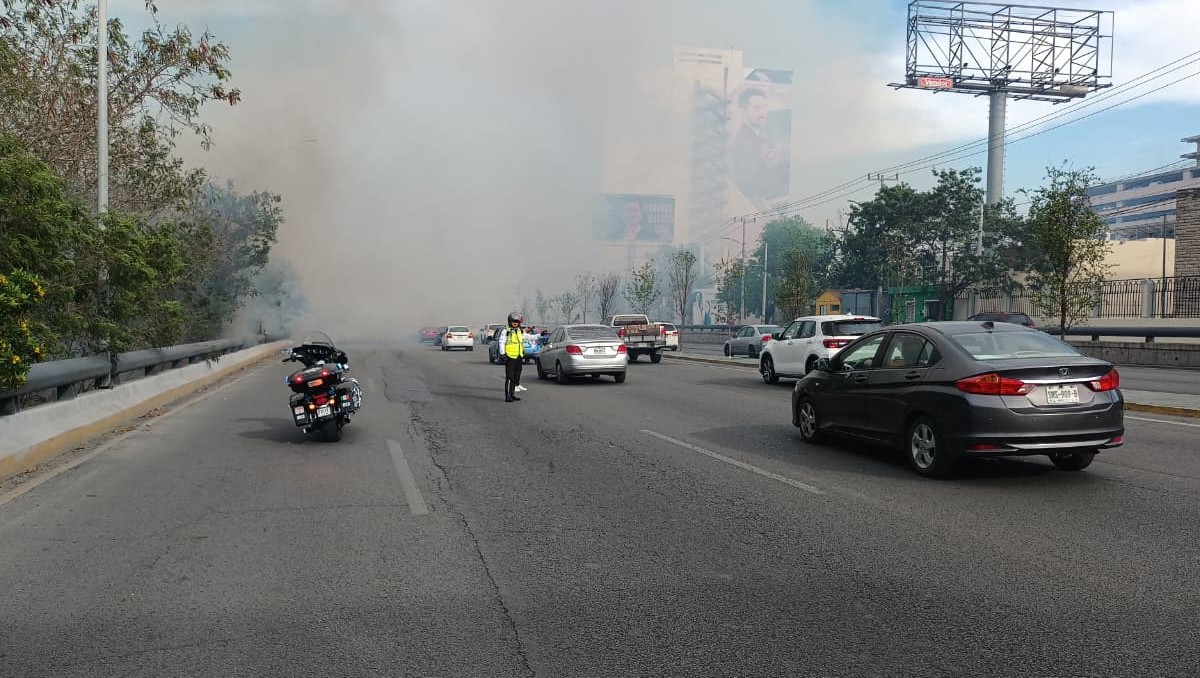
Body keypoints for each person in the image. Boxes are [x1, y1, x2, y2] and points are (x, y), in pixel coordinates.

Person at [730, 87, 788, 204]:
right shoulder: (741, 143)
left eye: (765, 107)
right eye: (757, 108)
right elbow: (749, 189)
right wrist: (769, 164)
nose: (763, 113)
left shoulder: (762, 137)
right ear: (743, 112)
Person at [497, 312, 526, 402]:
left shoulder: (519, 330)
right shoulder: (506, 331)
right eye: (513, 322)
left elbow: (526, 337)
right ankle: (507, 396)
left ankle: (512, 394)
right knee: (509, 377)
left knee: (516, 376)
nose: (515, 324)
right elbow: (501, 342)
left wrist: (539, 335)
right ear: (510, 322)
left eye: (517, 322)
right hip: (510, 357)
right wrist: (502, 354)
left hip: (518, 356)